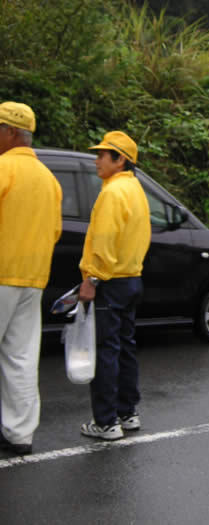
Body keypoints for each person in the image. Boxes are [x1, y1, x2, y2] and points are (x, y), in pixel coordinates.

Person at [78, 131, 151, 441]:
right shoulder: (136, 190)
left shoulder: (112, 192)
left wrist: (92, 278)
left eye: (102, 155)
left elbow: (105, 240)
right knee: (125, 348)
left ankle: (106, 421)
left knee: (107, 350)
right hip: (132, 277)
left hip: (109, 280)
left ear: (120, 160)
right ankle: (127, 412)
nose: (97, 160)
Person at [0, 102, 62, 456]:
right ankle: (19, 435)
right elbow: (54, 232)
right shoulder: (49, 180)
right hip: (32, 278)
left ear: (9, 132)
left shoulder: (1, 169)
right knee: (21, 356)